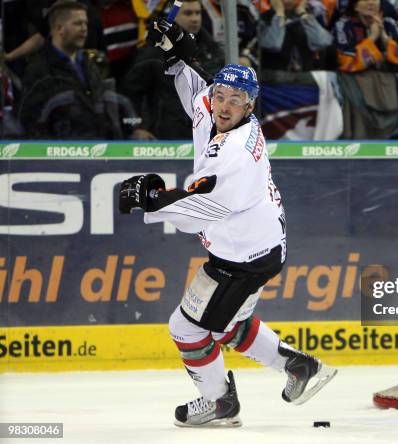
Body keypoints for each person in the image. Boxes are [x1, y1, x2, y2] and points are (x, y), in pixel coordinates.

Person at [117, 15, 337, 427]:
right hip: (256, 245)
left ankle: (220, 402)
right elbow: (197, 96)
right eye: (222, 95)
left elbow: (201, 208)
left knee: (186, 329)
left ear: (251, 106)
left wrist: (152, 202)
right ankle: (300, 367)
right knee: (228, 324)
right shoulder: (217, 109)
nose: (223, 104)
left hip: (243, 258)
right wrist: (177, 60)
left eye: (236, 99)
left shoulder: (237, 154)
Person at [18, 0, 152, 139]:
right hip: (63, 154)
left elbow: (106, 108)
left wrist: (133, 129)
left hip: (98, 151)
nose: (84, 28)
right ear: (59, 28)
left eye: (86, 23)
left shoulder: (90, 65)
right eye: (78, 23)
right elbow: (31, 123)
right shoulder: (38, 69)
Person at [121, 0, 224, 139]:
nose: (194, 19)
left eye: (198, 13)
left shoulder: (212, 49)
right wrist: (138, 127)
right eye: (188, 13)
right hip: (164, 136)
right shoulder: (153, 53)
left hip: (205, 132)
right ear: (173, 16)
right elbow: (131, 94)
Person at [259, 0, 335, 71]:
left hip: (305, 77)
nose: (288, 1)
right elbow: (272, 45)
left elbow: (324, 43)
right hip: (274, 77)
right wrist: (279, 14)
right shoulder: (265, 18)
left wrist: (302, 13)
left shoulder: (309, 17)